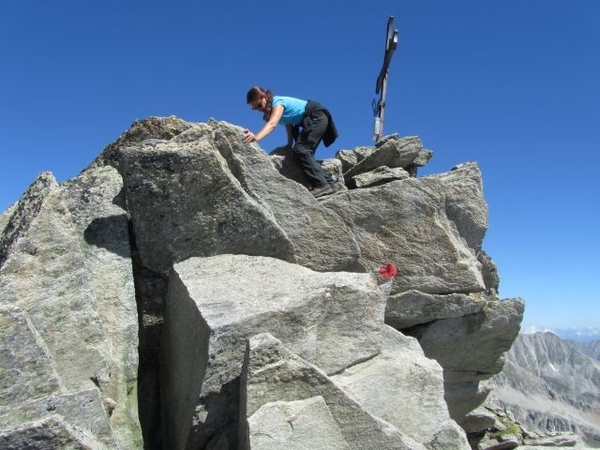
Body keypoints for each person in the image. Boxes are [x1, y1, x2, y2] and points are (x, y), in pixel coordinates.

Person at [243, 86, 339, 198]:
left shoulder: (278, 102)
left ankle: (321, 185)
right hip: (314, 119)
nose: (259, 110)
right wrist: (289, 144)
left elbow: (272, 124)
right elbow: (289, 123)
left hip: (316, 116)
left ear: (264, 96)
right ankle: (331, 185)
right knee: (301, 151)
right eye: (255, 108)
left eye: (259, 105)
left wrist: (256, 137)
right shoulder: (274, 108)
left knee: (301, 150)